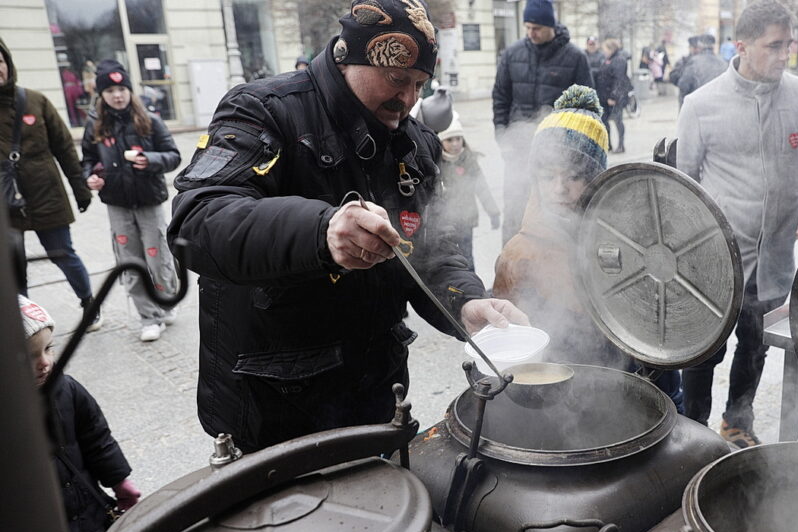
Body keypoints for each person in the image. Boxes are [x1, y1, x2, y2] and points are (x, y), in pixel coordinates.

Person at [168, 0, 528, 452]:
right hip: (272, 405)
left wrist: (467, 304)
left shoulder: (416, 147)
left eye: (420, 84)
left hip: (375, 396)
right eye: (397, 80)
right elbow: (198, 221)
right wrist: (321, 232)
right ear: (348, 58)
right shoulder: (264, 110)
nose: (409, 99)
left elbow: (434, 250)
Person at [676, 0, 798, 448]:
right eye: (774, 46)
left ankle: (737, 423)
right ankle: (692, 432)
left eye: (789, 45)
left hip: (774, 259)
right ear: (742, 46)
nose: (785, 55)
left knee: (755, 342)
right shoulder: (701, 105)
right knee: (703, 350)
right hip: (715, 262)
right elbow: (682, 187)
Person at [493, 85, 683, 410]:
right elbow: (504, 345)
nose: (559, 189)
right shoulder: (518, 253)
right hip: (552, 404)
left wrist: (674, 405)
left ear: (597, 177)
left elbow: (659, 335)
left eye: (574, 176)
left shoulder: (632, 241)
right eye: (547, 175)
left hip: (624, 397)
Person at [19, 295, 140, 532]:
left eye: (48, 348)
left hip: (89, 518)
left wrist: (119, 480)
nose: (45, 362)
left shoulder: (67, 389)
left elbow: (96, 438)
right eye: (30, 356)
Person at [0, 38, 101, 330]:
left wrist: (80, 188)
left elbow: (65, 148)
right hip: (6, 201)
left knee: (63, 253)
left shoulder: (34, 100)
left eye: (0, 61)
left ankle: (89, 304)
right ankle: (25, 323)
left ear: (8, 64)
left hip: (46, 194)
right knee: (14, 266)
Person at [80, 60, 181, 342]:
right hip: (117, 203)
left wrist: (150, 160)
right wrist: (90, 177)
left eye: (122, 88)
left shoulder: (149, 120)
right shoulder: (95, 125)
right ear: (102, 95)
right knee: (130, 261)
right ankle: (149, 317)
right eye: (110, 90)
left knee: (157, 257)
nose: (117, 95)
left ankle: (166, 301)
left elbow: (173, 155)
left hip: (149, 200)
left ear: (129, 90)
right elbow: (88, 159)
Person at [492, 0, 593, 245]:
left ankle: (552, 272)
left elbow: (588, 107)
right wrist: (503, 137)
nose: (531, 33)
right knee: (515, 211)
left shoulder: (575, 57)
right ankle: (509, 271)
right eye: (527, 27)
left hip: (558, 158)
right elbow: (500, 97)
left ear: (551, 26)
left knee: (555, 215)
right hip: (518, 153)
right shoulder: (512, 54)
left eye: (536, 27)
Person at [436, 116, 499, 269]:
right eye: (450, 140)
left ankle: (471, 287)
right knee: (448, 257)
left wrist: (493, 212)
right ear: (441, 142)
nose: (455, 144)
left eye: (458, 139)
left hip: (466, 219)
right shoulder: (437, 162)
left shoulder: (468, 160)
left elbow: (482, 187)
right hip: (445, 222)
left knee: (467, 256)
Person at [596, 38, 632, 154]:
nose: (604, 51)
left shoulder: (619, 60)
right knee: (604, 121)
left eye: (605, 49)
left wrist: (614, 97)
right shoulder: (608, 59)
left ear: (611, 49)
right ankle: (609, 145)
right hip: (605, 97)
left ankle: (621, 145)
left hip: (616, 98)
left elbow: (619, 80)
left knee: (618, 120)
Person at [675, 34, 727, 107]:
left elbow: (683, 85)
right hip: (719, 107)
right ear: (713, 46)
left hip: (699, 107)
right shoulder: (723, 63)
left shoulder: (693, 62)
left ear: (700, 46)